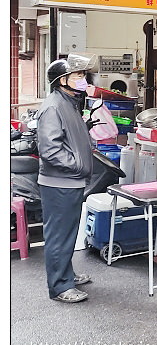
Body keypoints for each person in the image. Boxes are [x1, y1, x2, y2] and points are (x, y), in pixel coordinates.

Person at [36, 54, 97, 303]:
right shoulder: (53, 107)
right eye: (78, 75)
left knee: (68, 233)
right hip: (60, 182)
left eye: (83, 75)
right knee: (59, 235)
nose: (83, 79)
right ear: (62, 80)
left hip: (69, 181)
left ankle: (67, 274)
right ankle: (60, 287)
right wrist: (78, 165)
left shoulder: (69, 102)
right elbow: (50, 150)